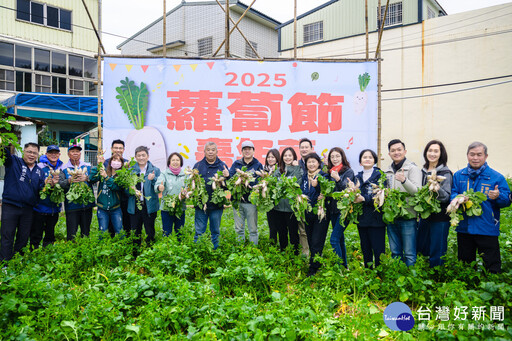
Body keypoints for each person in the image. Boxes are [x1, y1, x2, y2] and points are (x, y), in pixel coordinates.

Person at [450, 142, 511, 273]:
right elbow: (453, 193)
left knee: (491, 265)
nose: (475, 158)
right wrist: (458, 199)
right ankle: (467, 289)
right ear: (467, 155)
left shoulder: (496, 177)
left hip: (487, 227)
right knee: (465, 264)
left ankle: (491, 286)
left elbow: (507, 200)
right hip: (464, 227)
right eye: (472, 154)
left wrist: (498, 196)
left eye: (479, 154)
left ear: (486, 156)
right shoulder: (459, 176)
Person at [0, 142, 45, 261]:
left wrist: (48, 185)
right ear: (23, 151)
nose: (31, 155)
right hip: (11, 205)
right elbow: (4, 152)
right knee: (7, 235)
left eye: (34, 153)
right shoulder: (13, 161)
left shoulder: (40, 171)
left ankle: (17, 261)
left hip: (28, 209)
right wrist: (2, 143)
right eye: (29, 152)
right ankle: (4, 263)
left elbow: (41, 189)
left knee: (23, 237)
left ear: (38, 155)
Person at [385, 139, 422, 266]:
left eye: (399, 149)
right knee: (395, 252)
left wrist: (404, 180)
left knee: (409, 253)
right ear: (389, 154)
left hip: (408, 216)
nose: (396, 152)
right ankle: (397, 277)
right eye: (393, 150)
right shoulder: (388, 171)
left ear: (405, 151)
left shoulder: (413, 169)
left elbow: (417, 192)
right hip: (392, 216)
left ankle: (410, 280)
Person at [416, 140, 453, 267]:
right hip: (424, 216)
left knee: (438, 248)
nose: (432, 153)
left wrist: (437, 188)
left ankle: (437, 274)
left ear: (441, 153)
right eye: (430, 150)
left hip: (440, 217)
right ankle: (426, 271)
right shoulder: (422, 172)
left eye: (436, 151)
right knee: (422, 245)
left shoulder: (445, 173)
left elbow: (446, 197)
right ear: (426, 153)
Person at [193, 142, 230, 249]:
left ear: (217, 152)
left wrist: (227, 177)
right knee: (199, 231)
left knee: (215, 231)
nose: (210, 152)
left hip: (216, 206)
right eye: (208, 150)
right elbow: (192, 185)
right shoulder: (198, 166)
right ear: (204, 151)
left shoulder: (222, 166)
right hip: (201, 205)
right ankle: (199, 252)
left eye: (213, 150)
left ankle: (215, 252)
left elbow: (227, 187)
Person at [355, 149, 386, 268]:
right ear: (360, 162)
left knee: (378, 249)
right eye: (364, 157)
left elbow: (381, 194)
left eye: (370, 157)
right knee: (365, 247)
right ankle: (368, 271)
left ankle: (380, 272)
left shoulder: (380, 175)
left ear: (374, 161)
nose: (367, 159)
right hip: (362, 219)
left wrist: (364, 199)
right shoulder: (357, 177)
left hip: (376, 219)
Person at [229, 140, 263, 246]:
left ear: (253, 151)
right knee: (239, 228)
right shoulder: (236, 164)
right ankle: (240, 249)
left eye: (249, 149)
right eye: (245, 149)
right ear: (242, 151)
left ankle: (253, 249)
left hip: (251, 202)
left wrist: (249, 183)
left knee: (253, 229)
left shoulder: (258, 165)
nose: (247, 151)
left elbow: (261, 182)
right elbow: (230, 179)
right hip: (237, 201)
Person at [59, 141, 95, 240]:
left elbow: (95, 179)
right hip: (72, 206)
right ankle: (71, 251)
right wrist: (69, 180)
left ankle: (84, 251)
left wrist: (87, 178)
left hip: (86, 205)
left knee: (86, 232)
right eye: (72, 151)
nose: (75, 153)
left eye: (77, 151)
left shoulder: (87, 166)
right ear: (68, 154)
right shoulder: (63, 168)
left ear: (80, 153)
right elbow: (61, 183)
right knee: (72, 233)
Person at [301, 153, 329, 276]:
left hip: (320, 213)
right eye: (309, 162)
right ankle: (316, 262)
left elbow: (325, 192)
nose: (311, 164)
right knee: (311, 240)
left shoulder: (323, 176)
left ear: (318, 163)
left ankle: (313, 269)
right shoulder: (304, 177)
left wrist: (318, 189)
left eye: (314, 161)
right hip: (307, 212)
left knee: (317, 240)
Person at [326, 147, 355, 268]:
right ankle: (345, 267)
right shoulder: (329, 172)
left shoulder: (348, 171)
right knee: (339, 239)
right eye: (332, 157)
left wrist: (338, 179)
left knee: (333, 239)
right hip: (333, 210)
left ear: (342, 157)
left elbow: (347, 191)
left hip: (344, 211)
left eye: (337, 156)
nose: (335, 159)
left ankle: (339, 268)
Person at [31, 145, 63, 249]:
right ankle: (34, 254)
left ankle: (47, 255)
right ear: (46, 154)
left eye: (55, 153)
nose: (53, 155)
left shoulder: (61, 168)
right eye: (51, 153)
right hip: (40, 208)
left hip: (54, 209)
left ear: (59, 154)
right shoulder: (39, 167)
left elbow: (63, 185)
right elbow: (33, 184)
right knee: (36, 234)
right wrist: (45, 184)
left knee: (50, 234)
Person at [128, 146, 161, 245]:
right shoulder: (130, 171)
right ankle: (135, 254)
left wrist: (153, 179)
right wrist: (131, 189)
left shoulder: (155, 170)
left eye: (143, 155)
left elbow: (158, 187)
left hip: (149, 206)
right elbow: (125, 189)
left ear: (148, 156)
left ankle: (149, 254)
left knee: (150, 231)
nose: (141, 158)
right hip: (135, 206)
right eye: (139, 155)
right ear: (135, 157)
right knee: (135, 232)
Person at [273, 147, 302, 253]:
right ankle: (283, 252)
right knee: (282, 232)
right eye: (285, 155)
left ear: (294, 157)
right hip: (279, 208)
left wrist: (295, 168)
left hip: (292, 208)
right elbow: (274, 185)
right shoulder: (278, 171)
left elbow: (298, 183)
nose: (287, 157)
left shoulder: (297, 169)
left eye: (290, 155)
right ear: (282, 157)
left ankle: (295, 253)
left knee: (294, 232)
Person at [89, 154, 124, 235]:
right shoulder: (104, 171)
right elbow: (91, 178)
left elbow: (115, 187)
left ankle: (121, 246)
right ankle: (103, 246)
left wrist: (106, 177)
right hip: (102, 208)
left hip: (115, 208)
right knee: (102, 231)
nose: (116, 162)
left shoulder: (122, 176)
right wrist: (98, 165)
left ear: (121, 164)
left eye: (119, 161)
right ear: (110, 162)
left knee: (119, 230)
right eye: (114, 160)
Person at [155, 152, 186, 239]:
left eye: (177, 160)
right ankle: (167, 248)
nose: (175, 162)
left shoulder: (185, 175)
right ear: (169, 162)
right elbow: (157, 185)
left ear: (181, 162)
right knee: (166, 232)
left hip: (180, 207)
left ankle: (180, 249)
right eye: (173, 160)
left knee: (180, 231)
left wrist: (186, 193)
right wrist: (159, 187)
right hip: (166, 208)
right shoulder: (164, 174)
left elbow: (189, 188)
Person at [105, 139, 130, 236]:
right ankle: (112, 244)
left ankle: (126, 244)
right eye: (116, 148)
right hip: (111, 199)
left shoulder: (128, 163)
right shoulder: (106, 163)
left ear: (123, 150)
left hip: (124, 200)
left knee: (126, 222)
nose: (118, 150)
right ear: (111, 149)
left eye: (120, 148)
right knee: (111, 226)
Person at [297, 138, 315, 256]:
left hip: (315, 204)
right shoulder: (296, 164)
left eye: (306, 147)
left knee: (315, 231)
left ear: (311, 149)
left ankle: (316, 253)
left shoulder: (318, 163)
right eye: (302, 147)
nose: (304, 149)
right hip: (301, 202)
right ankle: (305, 253)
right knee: (302, 230)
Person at [264, 149, 281, 247]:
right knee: (272, 226)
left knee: (280, 225)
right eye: (268, 157)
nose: (270, 159)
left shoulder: (281, 169)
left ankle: (282, 246)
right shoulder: (265, 169)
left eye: (272, 157)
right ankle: (272, 246)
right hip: (269, 202)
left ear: (277, 158)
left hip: (279, 201)